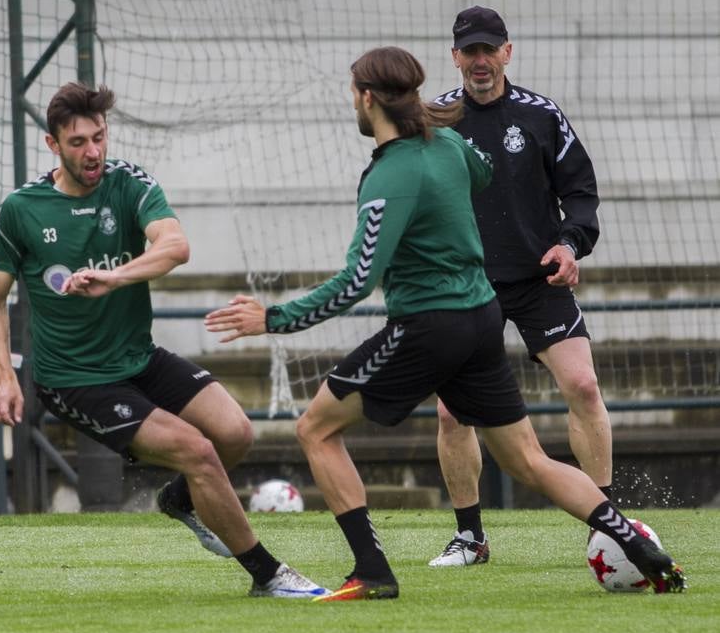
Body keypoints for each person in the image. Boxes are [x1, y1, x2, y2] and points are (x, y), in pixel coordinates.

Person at [205, 46, 685, 601]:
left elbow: (358, 280)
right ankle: (640, 547)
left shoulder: (390, 176)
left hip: (428, 326)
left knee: (316, 428)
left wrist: (273, 318)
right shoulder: (451, 145)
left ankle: (372, 571)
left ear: (365, 97)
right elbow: (481, 176)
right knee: (528, 459)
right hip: (481, 319)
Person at [0, 81, 328, 598]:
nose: (93, 151)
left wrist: (115, 277)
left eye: (99, 137)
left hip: (137, 359)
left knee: (235, 434)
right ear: (53, 145)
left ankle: (180, 501)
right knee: (200, 451)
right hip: (75, 379)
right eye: (78, 142)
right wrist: (6, 379)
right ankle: (268, 574)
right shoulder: (22, 209)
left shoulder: (129, 183)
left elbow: (176, 245)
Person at [427, 6, 612, 568]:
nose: (480, 61)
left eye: (490, 50)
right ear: (455, 56)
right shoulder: (432, 120)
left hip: (538, 276)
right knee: (451, 414)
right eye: (470, 51)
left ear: (508, 52)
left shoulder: (541, 114)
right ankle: (470, 538)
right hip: (467, 284)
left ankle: (607, 526)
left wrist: (570, 244)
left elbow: (580, 191)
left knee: (582, 385)